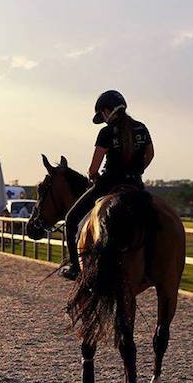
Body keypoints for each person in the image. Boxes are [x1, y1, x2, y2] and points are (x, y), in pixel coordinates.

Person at [60, 90, 154, 281]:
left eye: (102, 115)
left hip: (109, 184)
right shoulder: (141, 128)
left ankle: (75, 268)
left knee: (71, 219)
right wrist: (137, 172)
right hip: (136, 184)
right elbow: (150, 154)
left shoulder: (106, 132)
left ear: (105, 111)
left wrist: (93, 176)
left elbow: (93, 169)